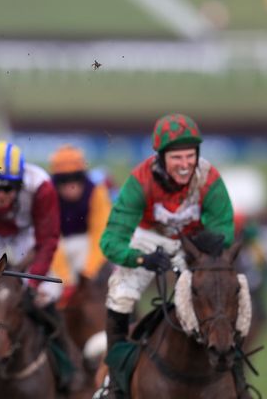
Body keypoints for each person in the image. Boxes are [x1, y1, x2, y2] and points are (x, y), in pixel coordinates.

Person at [98, 114, 238, 397]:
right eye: (177, 158)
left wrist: (199, 249)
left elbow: (224, 229)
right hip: (149, 239)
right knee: (120, 294)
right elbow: (110, 241)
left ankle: (239, 378)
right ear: (161, 158)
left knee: (237, 291)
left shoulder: (209, 178)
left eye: (190, 156)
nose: (186, 164)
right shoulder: (140, 180)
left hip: (194, 245)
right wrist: (141, 259)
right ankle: (115, 384)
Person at [0, 141, 80, 392]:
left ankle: (67, 364)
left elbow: (48, 240)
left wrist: (32, 283)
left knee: (46, 297)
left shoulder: (41, 185)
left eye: (8, 188)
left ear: (20, 183)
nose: (0, 195)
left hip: (26, 237)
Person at [45, 144, 111, 300]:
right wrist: (66, 280)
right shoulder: (47, 194)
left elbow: (101, 234)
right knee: (47, 294)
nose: (70, 186)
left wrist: (87, 273)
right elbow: (50, 237)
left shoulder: (96, 191)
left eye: (75, 178)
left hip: (86, 246)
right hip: (56, 251)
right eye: (63, 180)